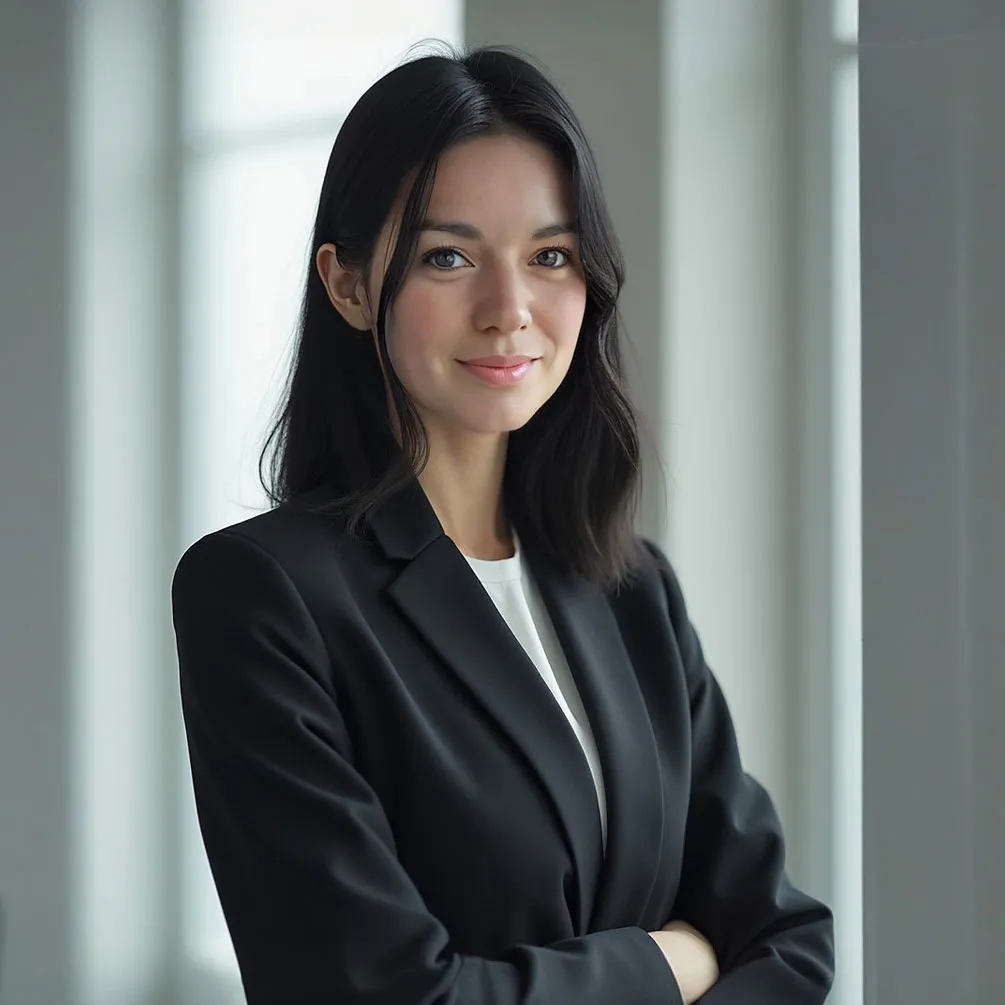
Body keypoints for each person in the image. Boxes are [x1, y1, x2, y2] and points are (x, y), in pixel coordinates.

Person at [171, 43, 834, 1005]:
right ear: (349, 284)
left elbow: (789, 939)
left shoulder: (631, 587)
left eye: (549, 256)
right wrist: (672, 958)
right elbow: (387, 995)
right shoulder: (264, 595)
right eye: (449, 256)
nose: (508, 309)